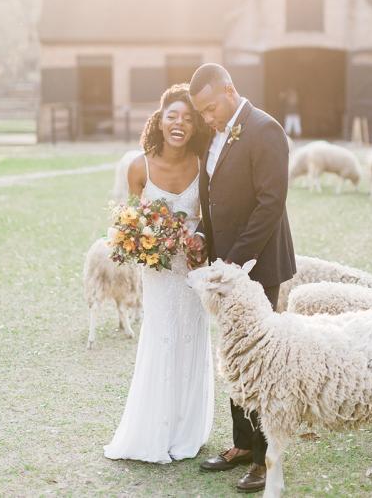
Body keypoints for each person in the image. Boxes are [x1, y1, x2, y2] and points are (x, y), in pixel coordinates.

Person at [189, 64, 296, 493]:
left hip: (257, 268)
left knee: (261, 366)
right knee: (235, 357)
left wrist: (233, 264)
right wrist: (201, 235)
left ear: (230, 91)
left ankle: (267, 456)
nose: (208, 118)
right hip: (225, 269)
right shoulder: (214, 135)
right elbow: (213, 198)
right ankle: (242, 445)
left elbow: (270, 203)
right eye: (203, 112)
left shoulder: (265, 129)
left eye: (211, 107)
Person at [103, 84, 213, 464]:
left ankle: (186, 431)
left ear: (194, 126)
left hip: (193, 271)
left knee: (191, 340)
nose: (179, 123)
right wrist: (141, 243)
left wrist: (197, 239)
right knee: (161, 339)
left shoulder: (203, 164)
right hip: (159, 273)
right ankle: (153, 430)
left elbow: (209, 219)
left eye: (187, 118)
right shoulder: (139, 166)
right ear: (160, 120)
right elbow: (125, 222)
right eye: (173, 116)